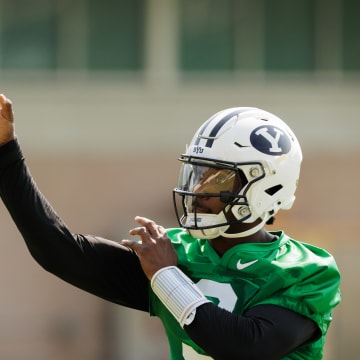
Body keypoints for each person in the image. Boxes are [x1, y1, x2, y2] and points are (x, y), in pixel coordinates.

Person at [0, 93, 341, 360]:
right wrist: (6, 151)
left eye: (217, 178)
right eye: (197, 174)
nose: (197, 191)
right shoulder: (177, 253)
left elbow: (244, 348)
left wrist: (167, 278)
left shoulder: (306, 272)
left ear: (266, 189)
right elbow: (60, 252)